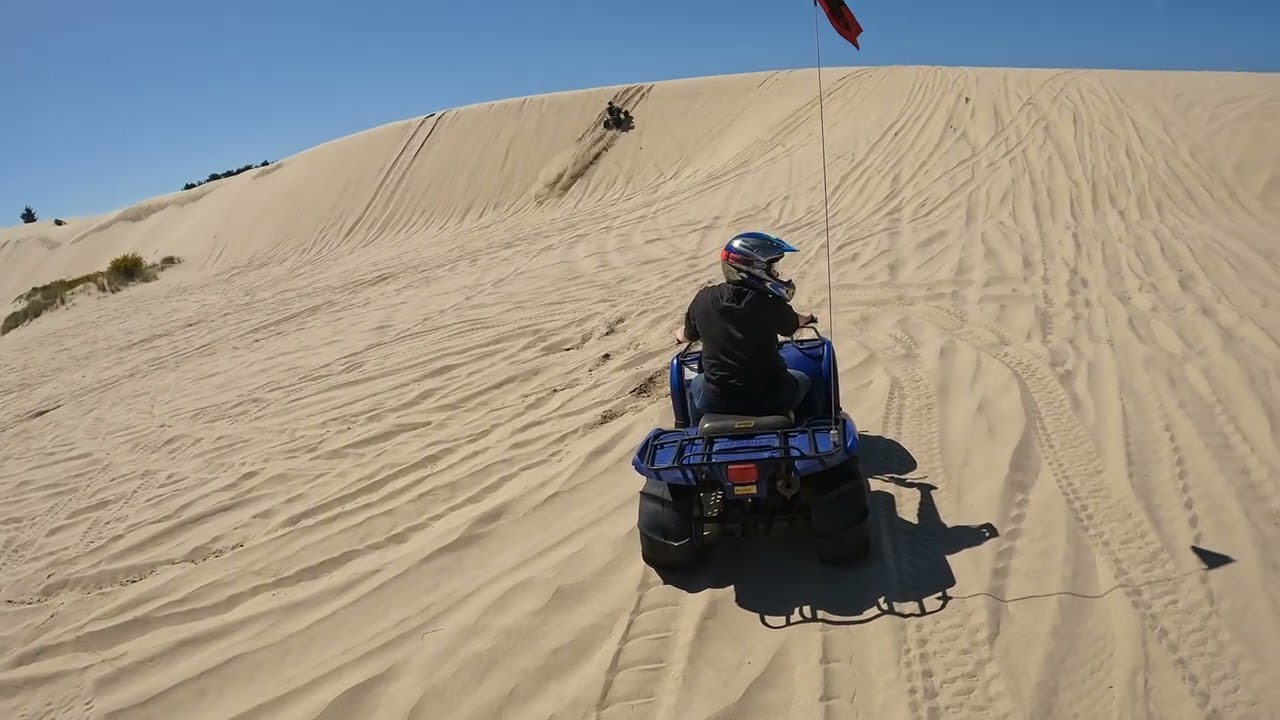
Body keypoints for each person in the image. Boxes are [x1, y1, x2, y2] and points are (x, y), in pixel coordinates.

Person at [676, 231, 817, 419]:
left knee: (696, 384)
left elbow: (688, 335)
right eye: (771, 267)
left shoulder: (704, 299)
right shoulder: (769, 302)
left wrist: (679, 335)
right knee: (805, 380)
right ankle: (815, 427)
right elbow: (791, 324)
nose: (776, 273)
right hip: (772, 397)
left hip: (718, 399)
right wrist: (806, 318)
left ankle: (693, 436)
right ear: (755, 269)